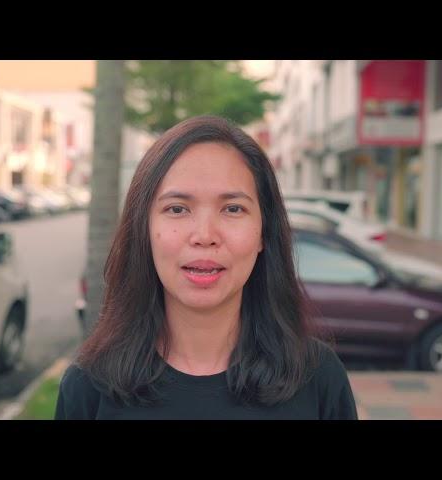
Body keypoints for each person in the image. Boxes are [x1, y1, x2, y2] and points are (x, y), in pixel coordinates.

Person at [55, 115, 358, 420]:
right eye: (177, 209)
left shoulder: (319, 380)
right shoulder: (88, 387)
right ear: (143, 228)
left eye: (233, 209)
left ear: (263, 232)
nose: (204, 236)